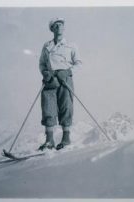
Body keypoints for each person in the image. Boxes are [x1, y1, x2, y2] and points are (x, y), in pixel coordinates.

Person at [38, 18, 82, 151]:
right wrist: (45, 73)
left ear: (64, 27)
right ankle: (49, 140)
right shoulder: (47, 46)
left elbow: (79, 63)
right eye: (55, 25)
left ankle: (66, 139)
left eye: (61, 25)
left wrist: (68, 71)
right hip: (50, 80)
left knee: (66, 106)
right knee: (48, 107)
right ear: (52, 29)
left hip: (65, 78)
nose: (59, 27)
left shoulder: (71, 45)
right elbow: (41, 64)